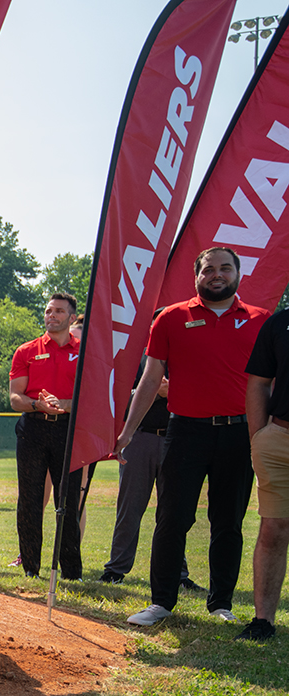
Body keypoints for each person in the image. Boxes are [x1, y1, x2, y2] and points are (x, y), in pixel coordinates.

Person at [116, 247, 270, 627]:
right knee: (171, 518)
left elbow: (271, 384)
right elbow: (150, 380)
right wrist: (127, 431)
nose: (216, 275)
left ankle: (221, 604)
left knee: (228, 522)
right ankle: (161, 603)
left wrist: (265, 435)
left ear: (238, 273)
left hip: (239, 434)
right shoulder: (170, 318)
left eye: (224, 268)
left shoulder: (262, 321)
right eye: (208, 270)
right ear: (196, 276)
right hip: (184, 432)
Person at [100, 356, 196, 589]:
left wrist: (172, 390)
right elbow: (119, 394)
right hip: (140, 437)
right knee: (129, 507)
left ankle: (178, 574)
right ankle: (116, 569)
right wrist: (154, 390)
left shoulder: (186, 355)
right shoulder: (137, 358)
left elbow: (199, 392)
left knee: (173, 511)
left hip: (176, 438)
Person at [9, 292, 84, 580]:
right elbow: (15, 397)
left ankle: (71, 570)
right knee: (29, 498)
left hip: (68, 431)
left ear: (71, 316)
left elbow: (91, 395)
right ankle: (30, 567)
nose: (52, 315)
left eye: (59, 311)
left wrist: (65, 404)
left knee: (66, 500)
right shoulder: (26, 351)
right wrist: (35, 405)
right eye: (49, 310)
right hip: (33, 428)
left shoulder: (86, 351)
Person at [242, 308, 289, 640]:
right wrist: (258, 435)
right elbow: (259, 382)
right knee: (273, 529)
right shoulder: (280, 322)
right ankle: (263, 621)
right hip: (279, 438)